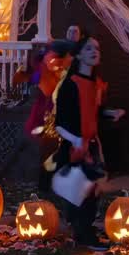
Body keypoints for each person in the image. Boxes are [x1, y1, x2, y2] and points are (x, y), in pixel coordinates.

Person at [50, 34, 125, 250]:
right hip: (74, 147)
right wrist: (77, 141)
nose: (95, 52)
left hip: (91, 146)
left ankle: (82, 232)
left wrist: (110, 112)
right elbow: (59, 123)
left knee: (93, 190)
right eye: (89, 48)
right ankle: (85, 236)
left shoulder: (94, 84)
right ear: (80, 54)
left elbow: (93, 111)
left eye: (97, 49)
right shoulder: (70, 85)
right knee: (83, 192)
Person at [27, 24, 81, 192]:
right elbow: (37, 76)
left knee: (64, 151)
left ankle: (62, 183)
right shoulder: (53, 57)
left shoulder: (76, 61)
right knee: (49, 150)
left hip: (66, 117)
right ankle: (45, 185)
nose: (72, 33)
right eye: (70, 31)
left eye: (75, 32)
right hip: (51, 117)